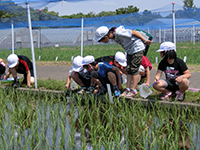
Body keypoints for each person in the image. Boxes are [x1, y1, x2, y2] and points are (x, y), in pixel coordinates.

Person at [94, 25, 151, 98]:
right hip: (129, 51)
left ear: (106, 37)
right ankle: (128, 89)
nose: (101, 42)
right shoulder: (114, 36)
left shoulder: (119, 33)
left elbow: (134, 33)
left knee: (134, 69)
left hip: (137, 48)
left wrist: (145, 41)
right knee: (129, 69)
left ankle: (133, 90)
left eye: (101, 40)